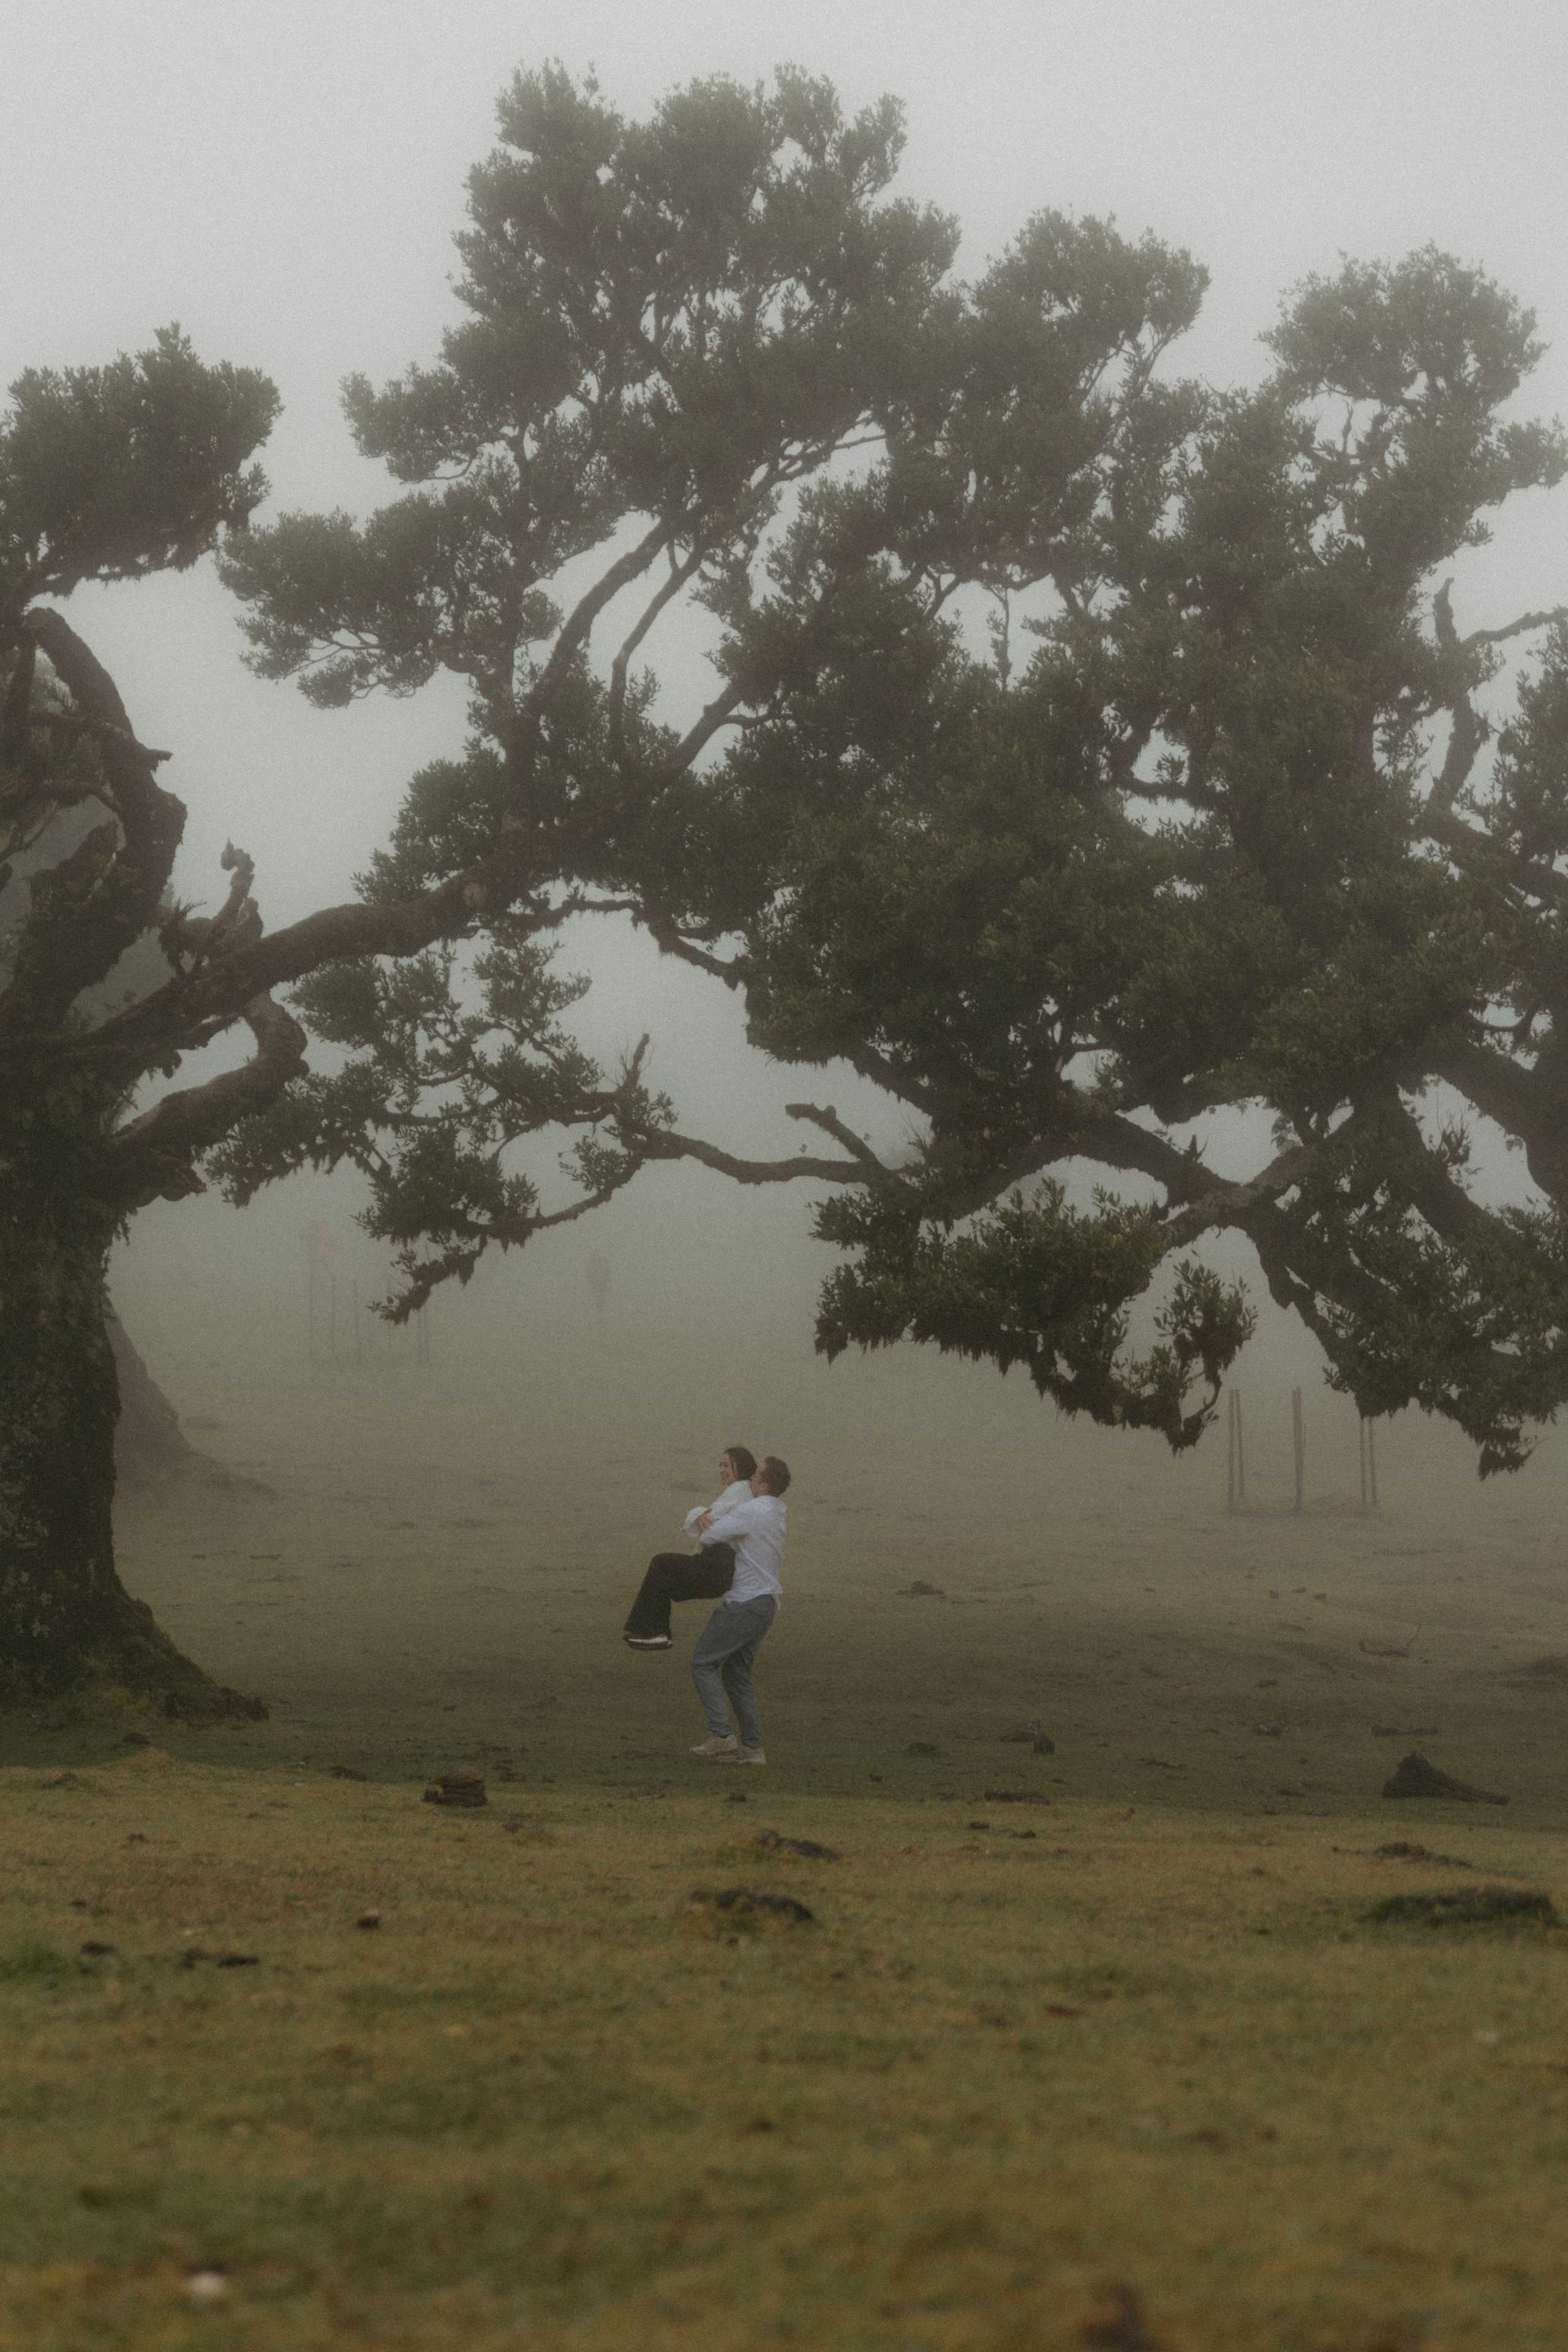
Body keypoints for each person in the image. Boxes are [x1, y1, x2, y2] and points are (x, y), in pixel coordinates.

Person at [687, 1455, 790, 1767]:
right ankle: (753, 1749)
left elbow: (708, 1536)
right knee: (737, 1674)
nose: (749, 1480)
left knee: (702, 1663)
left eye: (755, 1476)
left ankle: (722, 1737)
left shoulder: (753, 1509)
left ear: (763, 1484)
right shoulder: (776, 1511)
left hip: (744, 1602)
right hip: (766, 1603)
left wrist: (701, 1517)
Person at [622, 1447, 758, 1649]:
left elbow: (709, 1524)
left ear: (742, 1467)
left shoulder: (740, 1489)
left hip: (717, 1564)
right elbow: (706, 1519)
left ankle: (656, 1632)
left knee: (662, 1564)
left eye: (727, 1465)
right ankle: (657, 1633)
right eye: (720, 1465)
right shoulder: (740, 1491)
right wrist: (698, 1514)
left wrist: (697, 1514)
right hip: (718, 1565)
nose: (721, 1470)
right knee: (663, 1575)